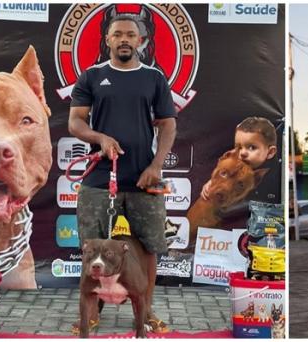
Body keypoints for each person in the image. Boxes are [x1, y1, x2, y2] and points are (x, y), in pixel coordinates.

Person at [68, 15, 176, 333]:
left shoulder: (155, 78)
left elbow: (168, 124)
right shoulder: (91, 76)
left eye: (131, 34)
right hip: (99, 180)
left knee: (150, 247)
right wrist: (100, 138)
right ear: (108, 40)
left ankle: (146, 311)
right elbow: (75, 122)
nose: (125, 39)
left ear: (141, 41)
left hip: (145, 179)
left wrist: (155, 166)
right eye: (118, 34)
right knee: (93, 248)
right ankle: (92, 313)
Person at [200, 116, 278, 205]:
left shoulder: (274, 173)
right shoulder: (234, 163)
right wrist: (212, 183)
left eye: (252, 147)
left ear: (270, 152)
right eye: (239, 147)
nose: (243, 153)